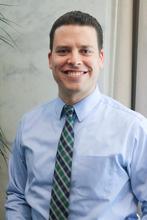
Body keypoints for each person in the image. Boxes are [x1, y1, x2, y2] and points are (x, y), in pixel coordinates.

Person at [5, 10, 147, 220]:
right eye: (63, 51)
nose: (74, 60)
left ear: (100, 58)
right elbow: (17, 196)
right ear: (50, 59)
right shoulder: (28, 125)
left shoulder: (133, 128)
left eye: (85, 51)